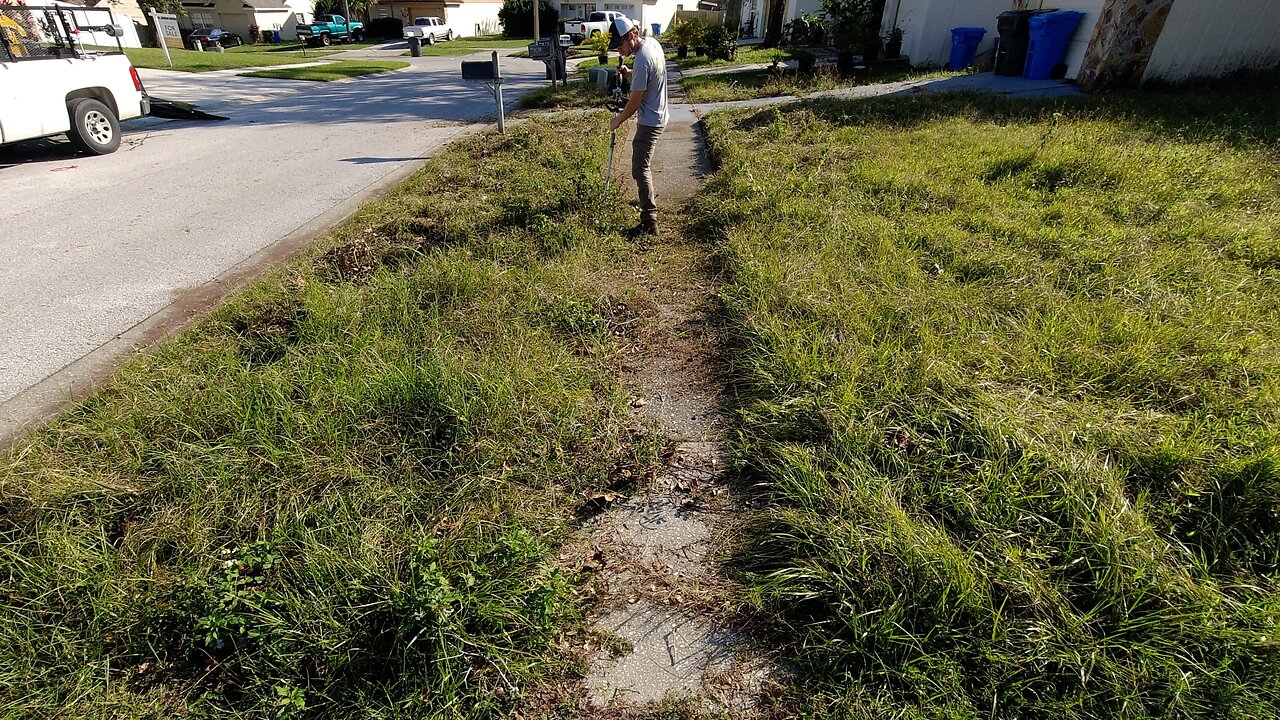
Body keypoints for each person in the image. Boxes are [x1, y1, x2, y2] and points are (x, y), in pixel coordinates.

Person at [608, 17, 668, 236]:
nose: (620, 50)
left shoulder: (641, 58)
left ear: (632, 35)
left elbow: (634, 102)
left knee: (639, 168)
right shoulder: (652, 44)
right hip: (659, 113)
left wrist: (617, 121)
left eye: (621, 44)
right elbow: (649, 77)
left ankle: (649, 221)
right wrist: (629, 74)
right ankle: (647, 201)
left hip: (650, 120)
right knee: (643, 166)